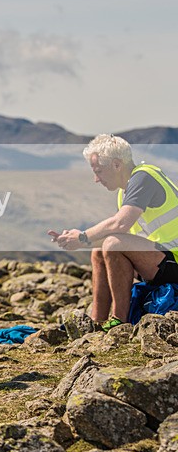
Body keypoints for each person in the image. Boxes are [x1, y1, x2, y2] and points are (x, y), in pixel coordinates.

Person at [49, 134, 178, 331]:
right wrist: (75, 241)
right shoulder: (124, 192)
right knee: (100, 250)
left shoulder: (144, 177)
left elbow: (120, 225)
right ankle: (96, 322)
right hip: (161, 259)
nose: (96, 179)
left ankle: (119, 322)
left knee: (113, 243)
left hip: (173, 260)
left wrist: (83, 236)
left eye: (99, 171)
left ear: (117, 165)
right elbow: (115, 234)